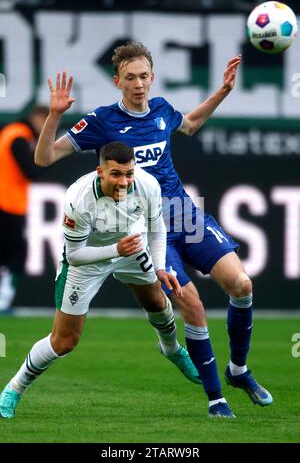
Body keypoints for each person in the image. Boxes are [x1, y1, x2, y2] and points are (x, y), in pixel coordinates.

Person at [34, 42, 272, 418]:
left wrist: (223, 92)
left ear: (152, 77)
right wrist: (54, 115)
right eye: (130, 78)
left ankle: (239, 370)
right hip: (148, 227)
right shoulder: (101, 121)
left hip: (184, 213)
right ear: (118, 82)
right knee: (191, 304)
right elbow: (44, 157)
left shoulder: (161, 110)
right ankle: (216, 400)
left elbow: (190, 125)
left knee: (242, 285)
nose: (139, 84)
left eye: (144, 76)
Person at [0, 141, 201, 419]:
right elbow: (75, 255)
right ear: (100, 172)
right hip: (88, 259)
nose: (124, 182)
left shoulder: (146, 184)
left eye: (128, 173)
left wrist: (159, 266)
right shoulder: (78, 199)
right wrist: (115, 250)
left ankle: (171, 349)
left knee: (158, 301)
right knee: (64, 341)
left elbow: (157, 227)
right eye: (116, 174)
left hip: (132, 244)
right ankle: (14, 387)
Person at [0, 105, 48, 314]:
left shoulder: (10, 132)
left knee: (10, 254)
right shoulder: (19, 136)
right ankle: (3, 301)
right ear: (37, 117)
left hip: (8, 202)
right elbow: (31, 171)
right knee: (16, 256)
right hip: (7, 204)